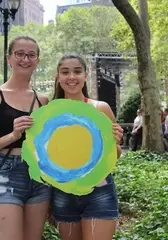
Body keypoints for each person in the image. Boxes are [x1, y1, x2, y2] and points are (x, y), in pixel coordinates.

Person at [0, 36, 51, 240]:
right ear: (9, 58)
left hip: (39, 175)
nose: (25, 59)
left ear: (37, 60)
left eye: (31, 55)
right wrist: (13, 135)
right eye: (19, 54)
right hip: (6, 174)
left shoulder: (43, 100)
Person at [50, 54, 123, 240]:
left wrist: (114, 141)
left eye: (77, 71)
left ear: (86, 74)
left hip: (100, 192)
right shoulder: (48, 112)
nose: (71, 77)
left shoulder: (101, 108)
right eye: (65, 72)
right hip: (63, 192)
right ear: (58, 76)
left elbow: (115, 155)